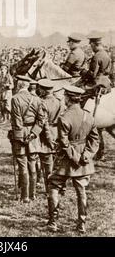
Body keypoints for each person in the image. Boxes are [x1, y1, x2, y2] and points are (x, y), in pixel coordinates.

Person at [47, 84, 100, 234]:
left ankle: (53, 222)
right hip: (83, 161)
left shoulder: (64, 118)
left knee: (54, 187)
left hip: (66, 160)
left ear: (68, 99)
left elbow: (64, 143)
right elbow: (95, 140)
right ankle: (82, 224)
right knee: (81, 191)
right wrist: (86, 155)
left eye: (65, 97)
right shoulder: (88, 116)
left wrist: (75, 157)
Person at [10, 75, 44, 202]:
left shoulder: (15, 99)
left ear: (19, 85)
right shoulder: (36, 99)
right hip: (33, 136)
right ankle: (33, 194)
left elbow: (17, 120)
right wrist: (34, 133)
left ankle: (25, 196)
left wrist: (19, 137)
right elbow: (41, 119)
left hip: (21, 135)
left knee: (23, 165)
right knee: (33, 164)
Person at [37, 79, 65, 193]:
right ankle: (61, 187)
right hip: (58, 133)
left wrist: (48, 138)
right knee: (58, 163)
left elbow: (44, 123)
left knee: (47, 165)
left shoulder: (42, 102)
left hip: (46, 135)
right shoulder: (59, 102)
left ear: (43, 90)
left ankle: (50, 189)